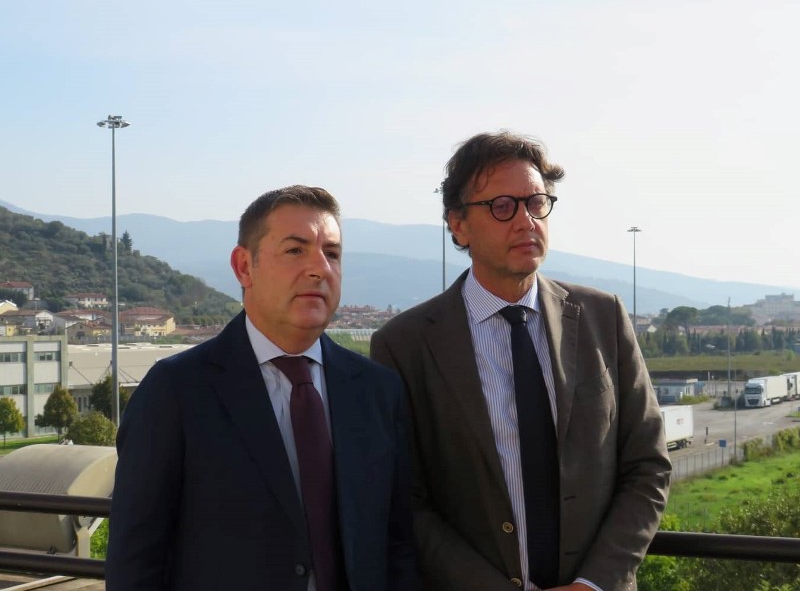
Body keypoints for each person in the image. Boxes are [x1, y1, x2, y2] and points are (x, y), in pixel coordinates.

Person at [370, 132, 671, 591]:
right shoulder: (404, 345)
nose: (526, 221)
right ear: (458, 225)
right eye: (502, 207)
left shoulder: (603, 317)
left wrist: (594, 583)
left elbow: (647, 465)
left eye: (536, 202)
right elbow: (405, 499)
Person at [107, 185, 417, 591]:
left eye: (332, 253)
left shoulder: (378, 391)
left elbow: (398, 543)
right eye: (295, 250)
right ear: (244, 267)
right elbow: (135, 559)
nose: (319, 268)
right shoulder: (176, 391)